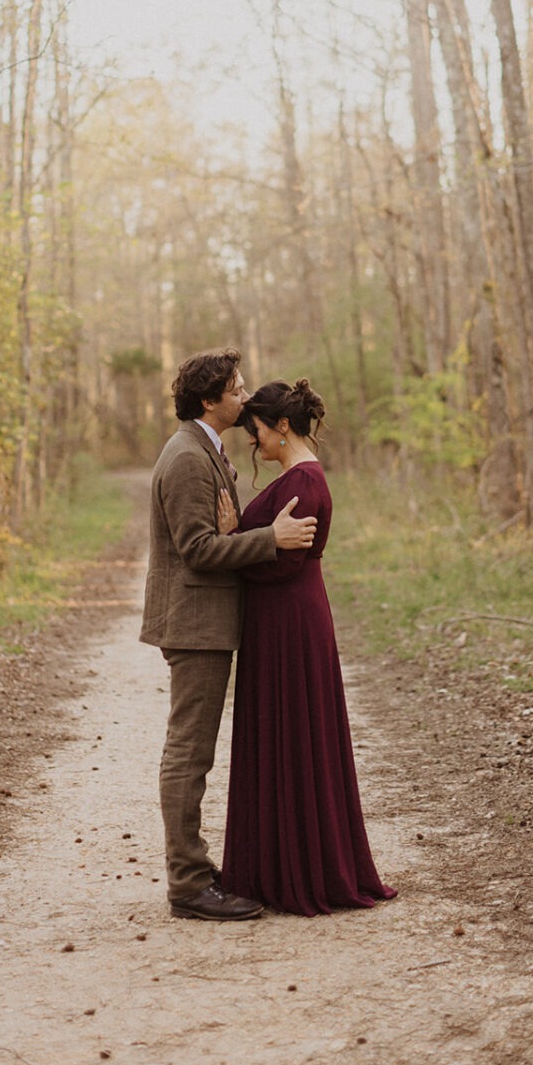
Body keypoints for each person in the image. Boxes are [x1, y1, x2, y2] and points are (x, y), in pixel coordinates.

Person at [140, 348, 318, 922]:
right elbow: (196, 549)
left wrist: (241, 530)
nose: (244, 398)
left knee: (195, 751)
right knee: (189, 752)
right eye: (235, 389)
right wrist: (270, 538)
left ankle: (194, 870)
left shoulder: (207, 451)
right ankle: (188, 883)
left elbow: (214, 536)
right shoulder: (188, 458)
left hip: (207, 622)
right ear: (208, 400)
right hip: (194, 624)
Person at [218, 378, 396, 916]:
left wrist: (232, 543)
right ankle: (276, 863)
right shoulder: (299, 477)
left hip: (290, 621)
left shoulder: (304, 483)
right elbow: (275, 549)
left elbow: (286, 561)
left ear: (283, 426)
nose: (256, 443)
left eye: (259, 432)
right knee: (285, 732)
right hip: (284, 619)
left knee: (295, 733)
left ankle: (302, 869)